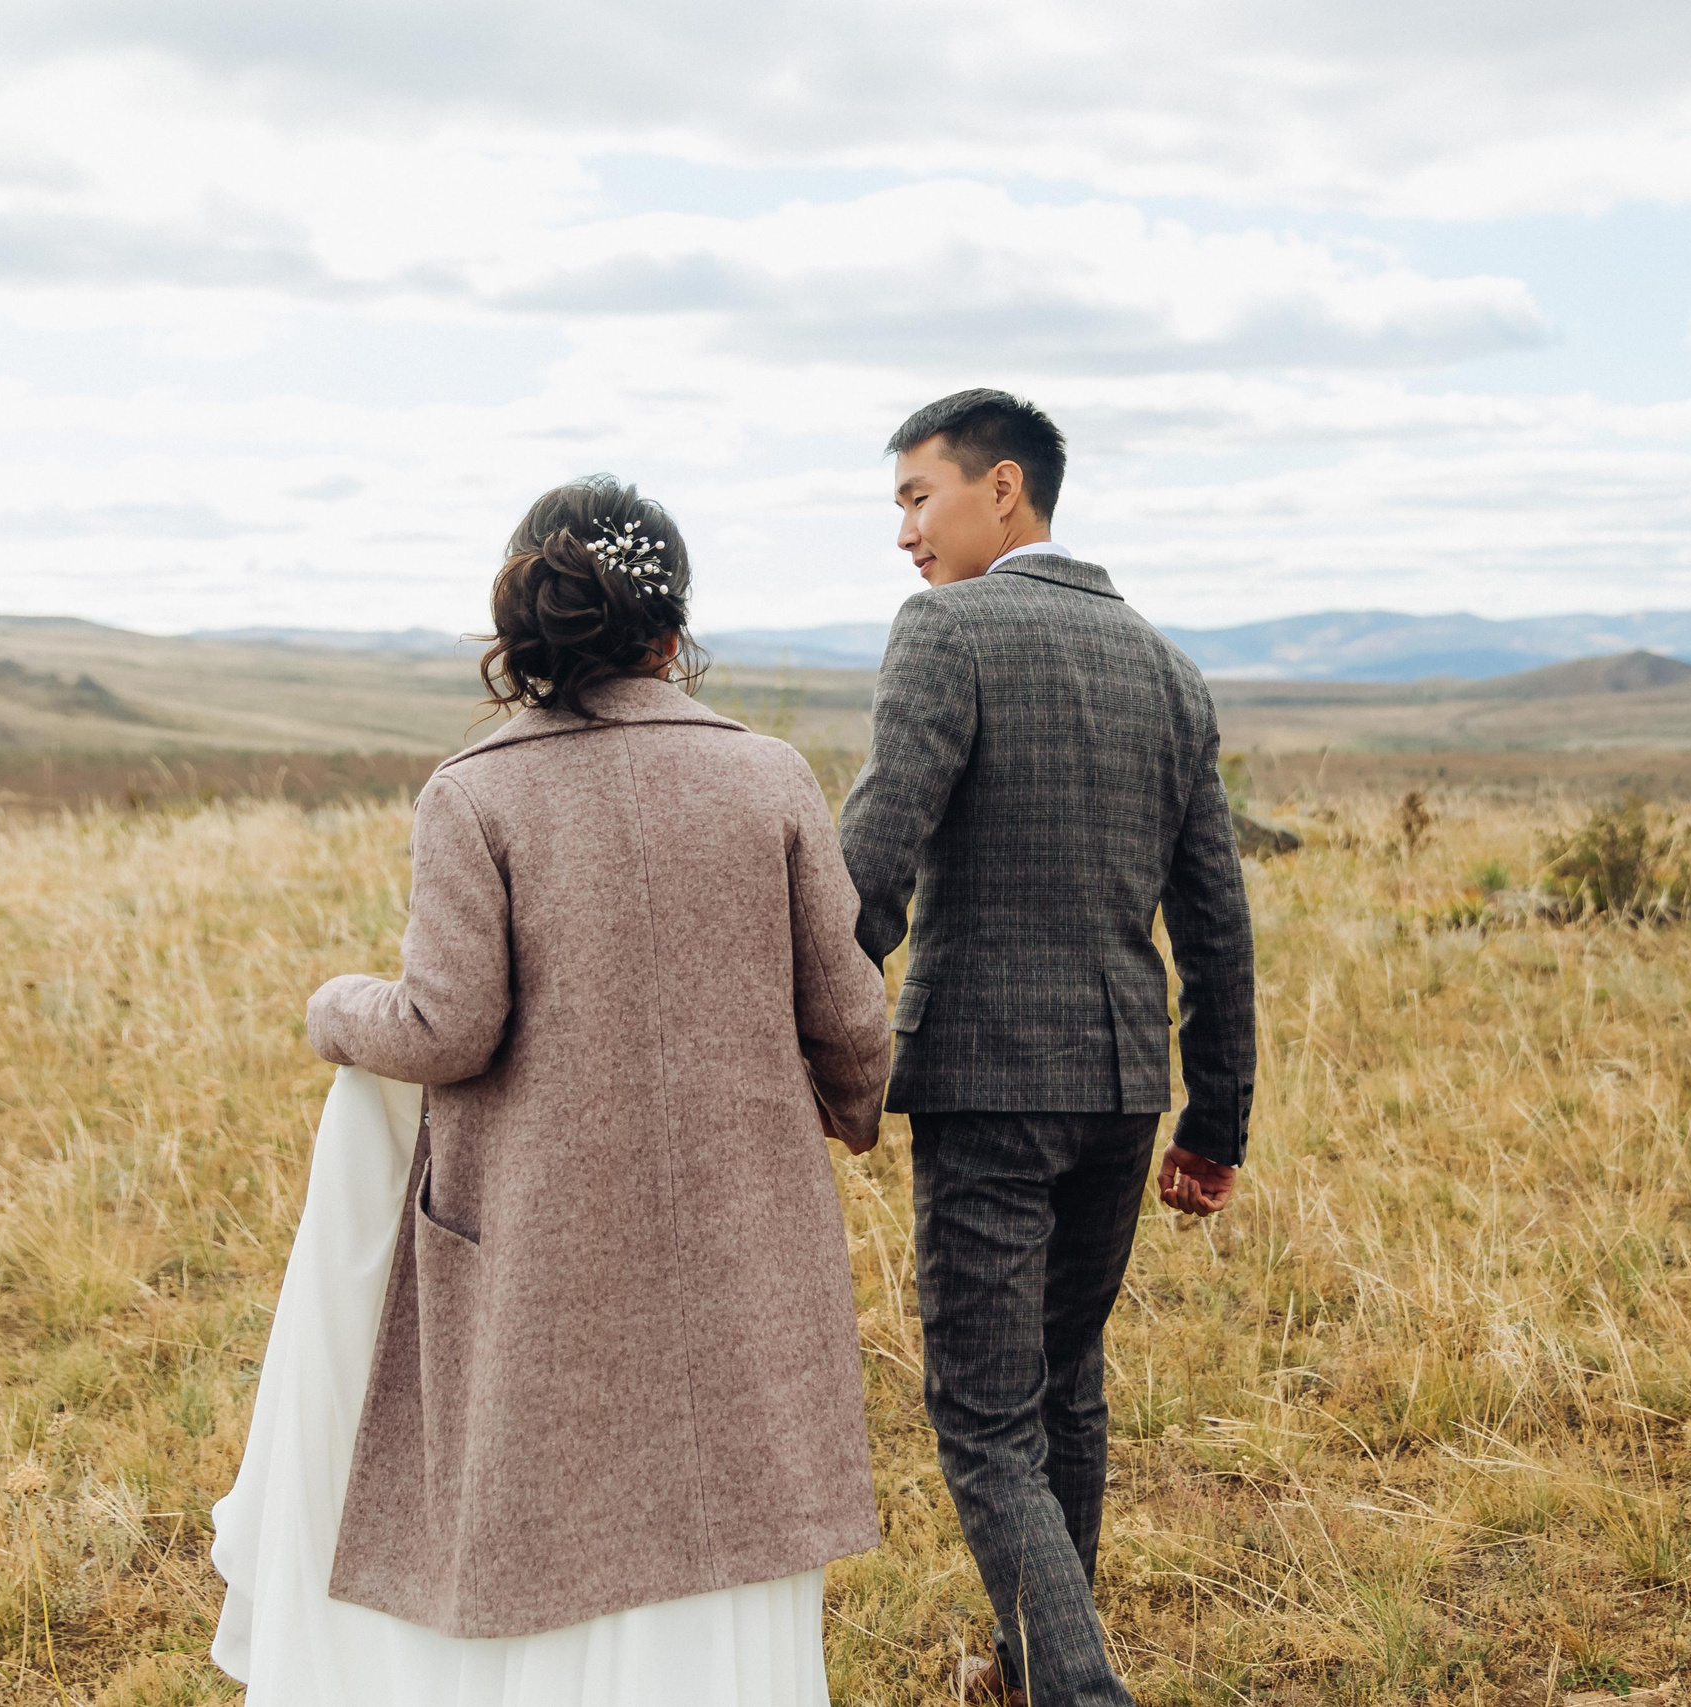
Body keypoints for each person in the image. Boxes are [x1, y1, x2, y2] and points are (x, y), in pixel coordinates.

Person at [216, 475, 891, 1707]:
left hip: (545, 1251)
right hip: (744, 1239)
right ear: (673, 633)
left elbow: (444, 1028)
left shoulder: (473, 791)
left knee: (553, 1530)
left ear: (522, 624)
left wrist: (332, 1006)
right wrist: (850, 1116)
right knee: (727, 1510)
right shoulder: (773, 777)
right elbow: (848, 1016)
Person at [838, 390, 1257, 1705]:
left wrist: (796, 1028)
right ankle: (1028, 1672)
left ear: (1001, 488)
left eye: (918, 496)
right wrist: (1215, 1121)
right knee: (1063, 1385)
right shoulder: (1167, 668)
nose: (904, 532)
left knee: (983, 1413)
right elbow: (1215, 920)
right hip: (1125, 1088)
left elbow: (871, 865)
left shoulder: (946, 633)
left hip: (988, 1081)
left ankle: (1078, 1690)